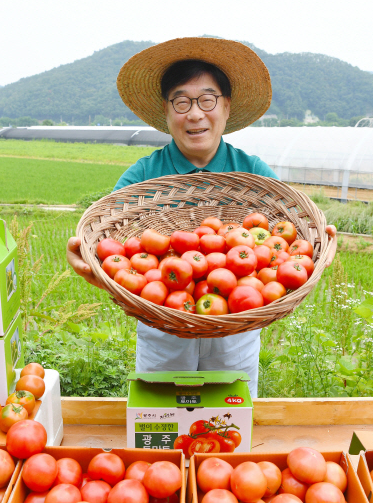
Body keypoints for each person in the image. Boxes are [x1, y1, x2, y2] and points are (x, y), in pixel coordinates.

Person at [66, 37, 337, 398]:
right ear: (166, 111)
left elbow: (286, 243)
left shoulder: (253, 174)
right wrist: (93, 264)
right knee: (161, 418)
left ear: (226, 107)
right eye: (182, 101)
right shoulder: (142, 178)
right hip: (162, 325)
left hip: (236, 326)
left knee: (229, 418)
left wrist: (314, 249)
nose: (195, 114)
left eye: (207, 100)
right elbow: (110, 248)